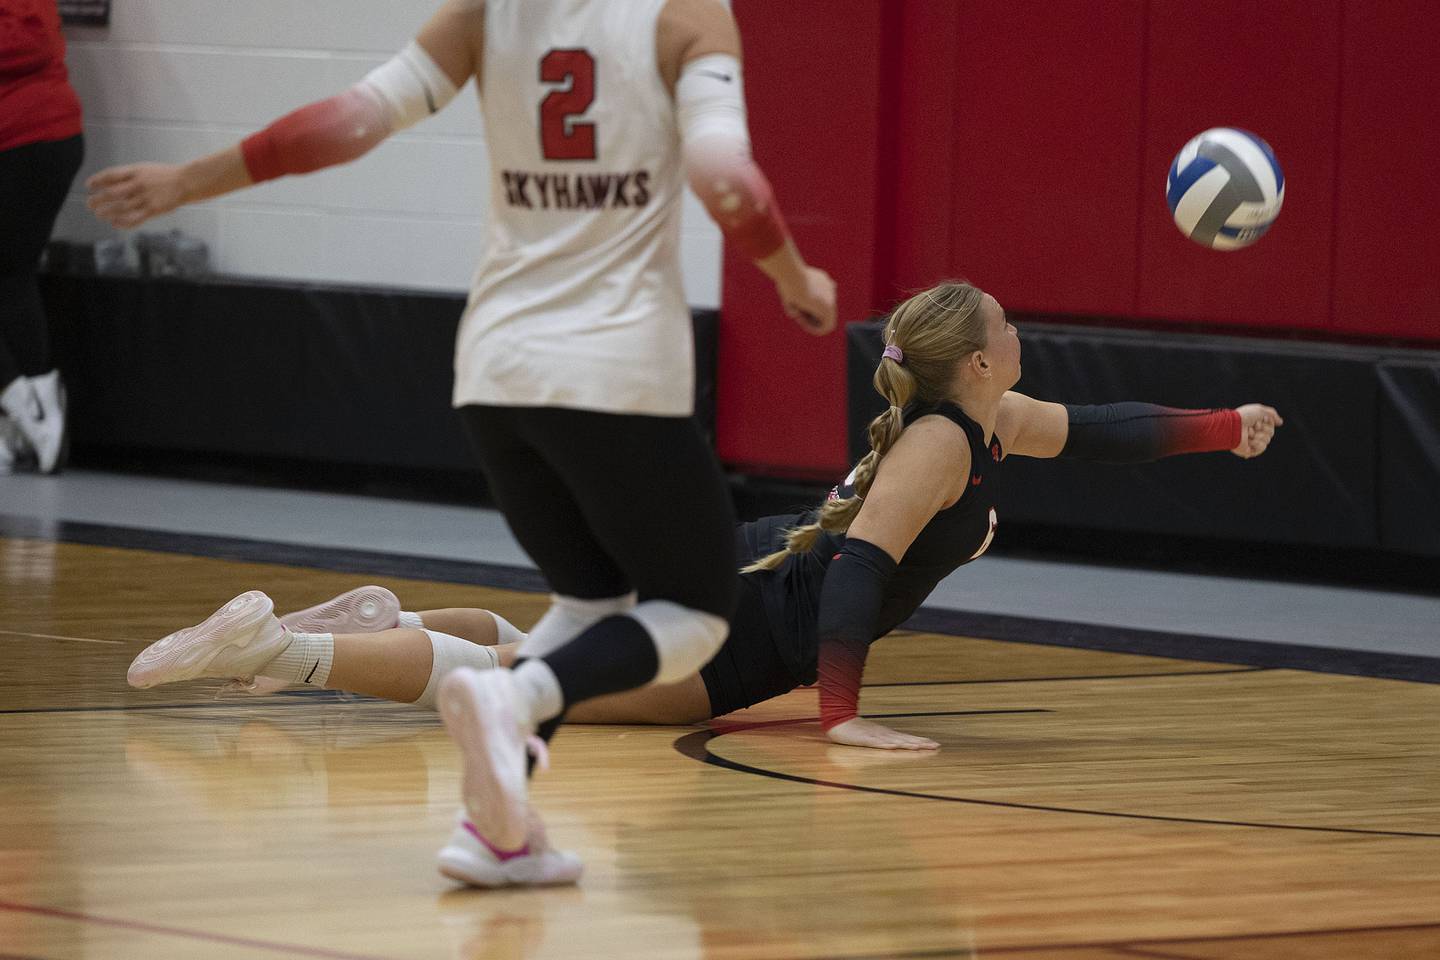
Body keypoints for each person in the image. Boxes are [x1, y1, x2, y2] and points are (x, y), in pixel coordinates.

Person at [90, 0, 837, 888]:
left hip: (492, 369)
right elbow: (725, 179)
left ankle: (498, 834)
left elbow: (351, 120)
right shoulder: (686, 17)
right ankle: (510, 692)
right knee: (693, 617)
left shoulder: (489, 11)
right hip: (613, 369)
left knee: (589, 609)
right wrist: (795, 276)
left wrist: (187, 180)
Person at [127, 279, 1283, 755]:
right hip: (734, 634)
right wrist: (843, 718)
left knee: (525, 647)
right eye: (1006, 327)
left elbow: (1107, 429)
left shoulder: (986, 418)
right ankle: (283, 648)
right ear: (979, 362)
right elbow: (856, 575)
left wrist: (1223, 426)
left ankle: (362, 625)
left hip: (728, 575)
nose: (1020, 334)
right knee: (510, 689)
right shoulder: (941, 446)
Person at [0, 0, 85, 473]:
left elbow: (32, 39)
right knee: (12, 277)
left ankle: (23, 408)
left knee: (11, 274)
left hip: (26, 140)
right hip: (35, 138)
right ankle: (38, 413)